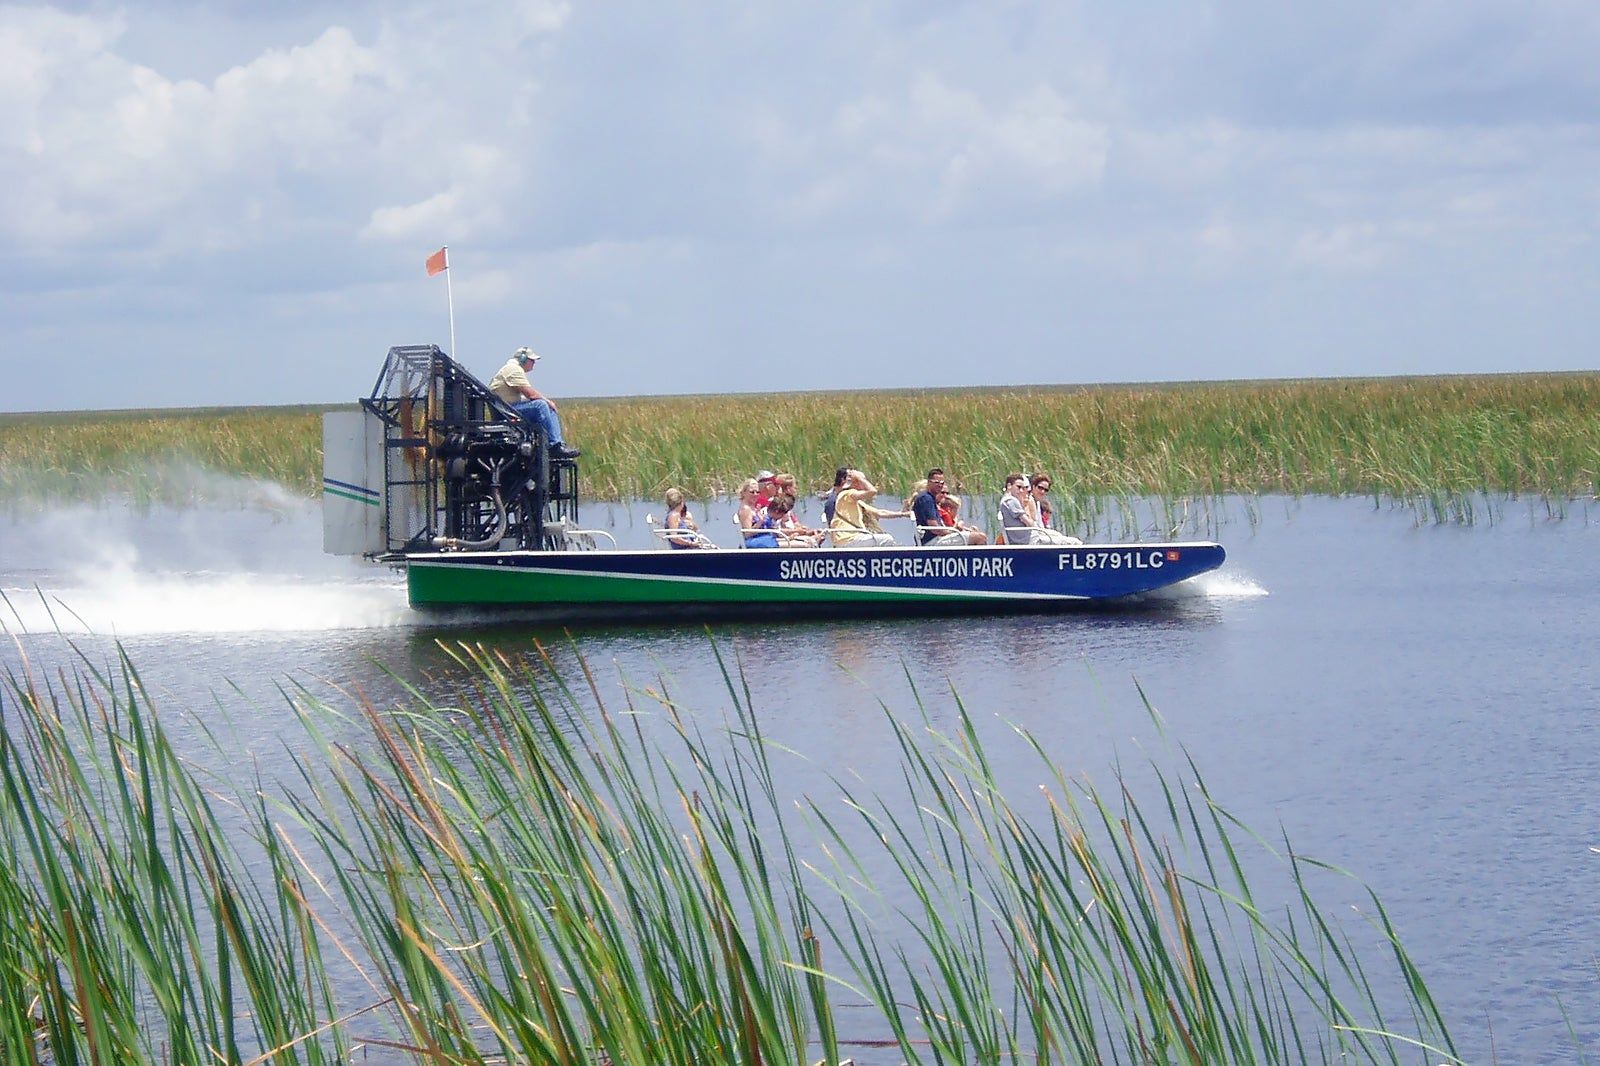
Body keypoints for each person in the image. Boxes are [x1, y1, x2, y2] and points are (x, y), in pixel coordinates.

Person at [488, 347, 580, 459]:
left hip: (508, 408)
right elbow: (530, 394)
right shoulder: (513, 370)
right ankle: (554, 445)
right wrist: (548, 401)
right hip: (506, 411)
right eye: (532, 360)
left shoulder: (513, 369)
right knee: (541, 405)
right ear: (523, 359)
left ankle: (557, 444)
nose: (534, 363)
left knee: (547, 407)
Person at [830, 469, 908, 546]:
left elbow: (879, 513)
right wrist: (860, 478)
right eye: (857, 481)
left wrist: (902, 514)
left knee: (883, 539)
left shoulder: (854, 502)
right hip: (849, 539)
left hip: (850, 539)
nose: (860, 484)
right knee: (887, 539)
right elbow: (872, 491)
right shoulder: (847, 494)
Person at [910, 468, 985, 546]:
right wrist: (953, 532)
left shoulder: (931, 498)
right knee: (980, 538)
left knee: (975, 534)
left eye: (942, 483)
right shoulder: (926, 499)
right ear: (929, 482)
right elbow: (934, 528)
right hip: (932, 542)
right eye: (936, 482)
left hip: (937, 538)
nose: (939, 485)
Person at [1027, 474, 1081, 545]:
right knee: (1074, 542)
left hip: (1041, 533)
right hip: (1035, 537)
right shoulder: (1028, 500)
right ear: (1033, 486)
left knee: (1061, 536)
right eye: (1040, 488)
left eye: (1046, 490)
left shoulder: (1037, 502)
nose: (1042, 491)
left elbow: (1041, 526)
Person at [735, 478, 778, 548]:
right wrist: (760, 522)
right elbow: (747, 534)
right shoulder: (745, 509)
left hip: (764, 539)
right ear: (744, 493)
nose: (755, 494)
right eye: (752, 492)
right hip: (755, 543)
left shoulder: (753, 507)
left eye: (757, 492)